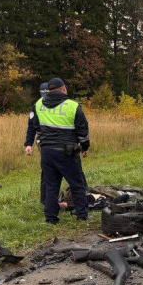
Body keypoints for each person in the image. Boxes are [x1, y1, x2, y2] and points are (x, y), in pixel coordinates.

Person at [29, 78, 90, 224]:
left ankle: (51, 219)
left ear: (49, 90)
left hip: (46, 152)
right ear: (63, 89)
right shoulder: (72, 106)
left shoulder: (38, 104)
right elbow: (83, 130)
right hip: (67, 152)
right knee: (77, 184)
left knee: (51, 186)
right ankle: (82, 216)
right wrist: (85, 147)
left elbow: (35, 125)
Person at [25, 82, 50, 205]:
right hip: (44, 143)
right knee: (46, 171)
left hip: (58, 142)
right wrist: (28, 144)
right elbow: (31, 127)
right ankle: (45, 200)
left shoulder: (58, 104)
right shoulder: (36, 106)